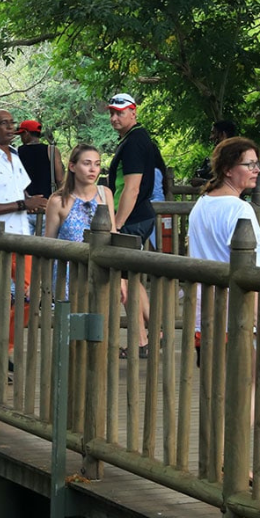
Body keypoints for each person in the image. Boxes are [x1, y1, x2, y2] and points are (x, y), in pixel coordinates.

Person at [0, 109, 48, 361]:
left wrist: (35, 203)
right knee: (9, 297)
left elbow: (22, 193)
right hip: (0, 239)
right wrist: (23, 204)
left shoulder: (15, 156)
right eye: (3, 124)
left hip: (21, 236)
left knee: (28, 295)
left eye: (11, 123)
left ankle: (4, 349)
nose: (9, 128)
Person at [188, 137, 260, 373]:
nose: (256, 170)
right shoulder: (239, 209)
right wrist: (257, 317)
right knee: (249, 382)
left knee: (215, 382)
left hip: (205, 310)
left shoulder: (202, 203)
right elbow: (249, 268)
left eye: (257, 164)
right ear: (228, 169)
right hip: (238, 312)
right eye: (249, 164)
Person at [106, 93, 158, 357]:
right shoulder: (135, 138)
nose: (115, 117)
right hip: (139, 216)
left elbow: (132, 188)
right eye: (112, 113)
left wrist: (116, 224)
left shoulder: (135, 142)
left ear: (133, 112)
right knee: (132, 279)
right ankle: (155, 333)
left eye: (120, 112)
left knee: (123, 282)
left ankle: (140, 341)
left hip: (132, 219)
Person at [44, 144, 117, 298]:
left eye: (97, 164)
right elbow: (48, 244)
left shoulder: (105, 194)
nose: (93, 169)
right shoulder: (58, 201)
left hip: (100, 271)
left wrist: (120, 279)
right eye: (86, 163)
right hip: (67, 275)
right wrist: (42, 281)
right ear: (72, 166)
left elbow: (113, 233)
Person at [17, 119, 64, 235]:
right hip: (47, 207)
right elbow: (60, 179)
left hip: (26, 209)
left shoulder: (17, 152)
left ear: (26, 133)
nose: (21, 138)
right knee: (46, 245)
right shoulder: (51, 151)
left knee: (22, 245)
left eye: (21, 134)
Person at [192, 120, 237, 186]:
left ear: (223, 135)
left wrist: (203, 182)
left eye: (213, 133)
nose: (211, 137)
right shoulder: (223, 153)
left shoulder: (233, 154)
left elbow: (228, 182)